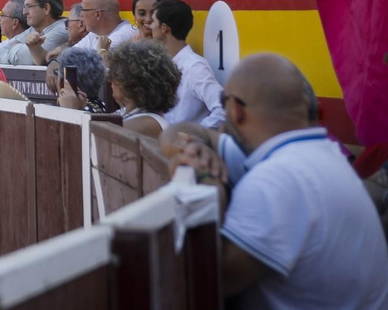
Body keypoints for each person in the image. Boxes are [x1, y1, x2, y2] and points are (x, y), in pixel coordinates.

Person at [164, 53, 388, 309]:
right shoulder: (321, 153)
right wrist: (190, 145)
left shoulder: (275, 180)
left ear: (235, 110)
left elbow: (210, 281)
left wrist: (208, 182)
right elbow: (184, 132)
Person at [149, 0, 225, 128]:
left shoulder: (195, 67)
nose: (150, 26)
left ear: (164, 28)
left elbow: (224, 109)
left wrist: (193, 133)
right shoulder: (163, 64)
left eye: (153, 22)